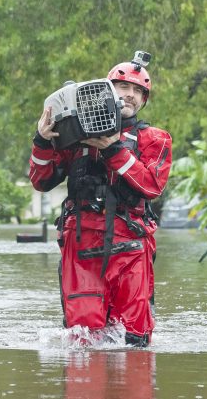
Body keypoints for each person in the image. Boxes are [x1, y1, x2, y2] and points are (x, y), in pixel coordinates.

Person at [29, 52, 172, 346]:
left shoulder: (155, 139)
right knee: (83, 339)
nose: (130, 95)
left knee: (134, 338)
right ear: (107, 90)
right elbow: (40, 180)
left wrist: (112, 148)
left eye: (138, 91)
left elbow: (151, 185)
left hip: (130, 244)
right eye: (123, 88)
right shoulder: (74, 134)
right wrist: (43, 140)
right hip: (81, 243)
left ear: (144, 100)